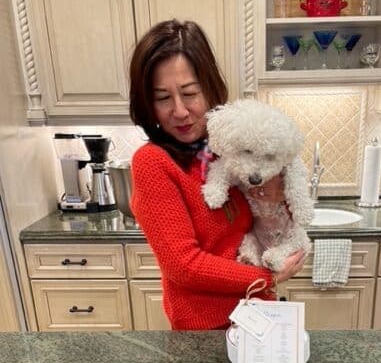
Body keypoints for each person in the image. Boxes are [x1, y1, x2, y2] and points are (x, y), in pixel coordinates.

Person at [129, 19, 306, 330]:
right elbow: (183, 266)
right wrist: (269, 276)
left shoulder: (230, 147)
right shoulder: (153, 162)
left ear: (210, 88)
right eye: (163, 98)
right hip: (205, 331)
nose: (180, 111)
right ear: (147, 103)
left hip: (258, 315)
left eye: (189, 93)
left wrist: (278, 195)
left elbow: (280, 216)